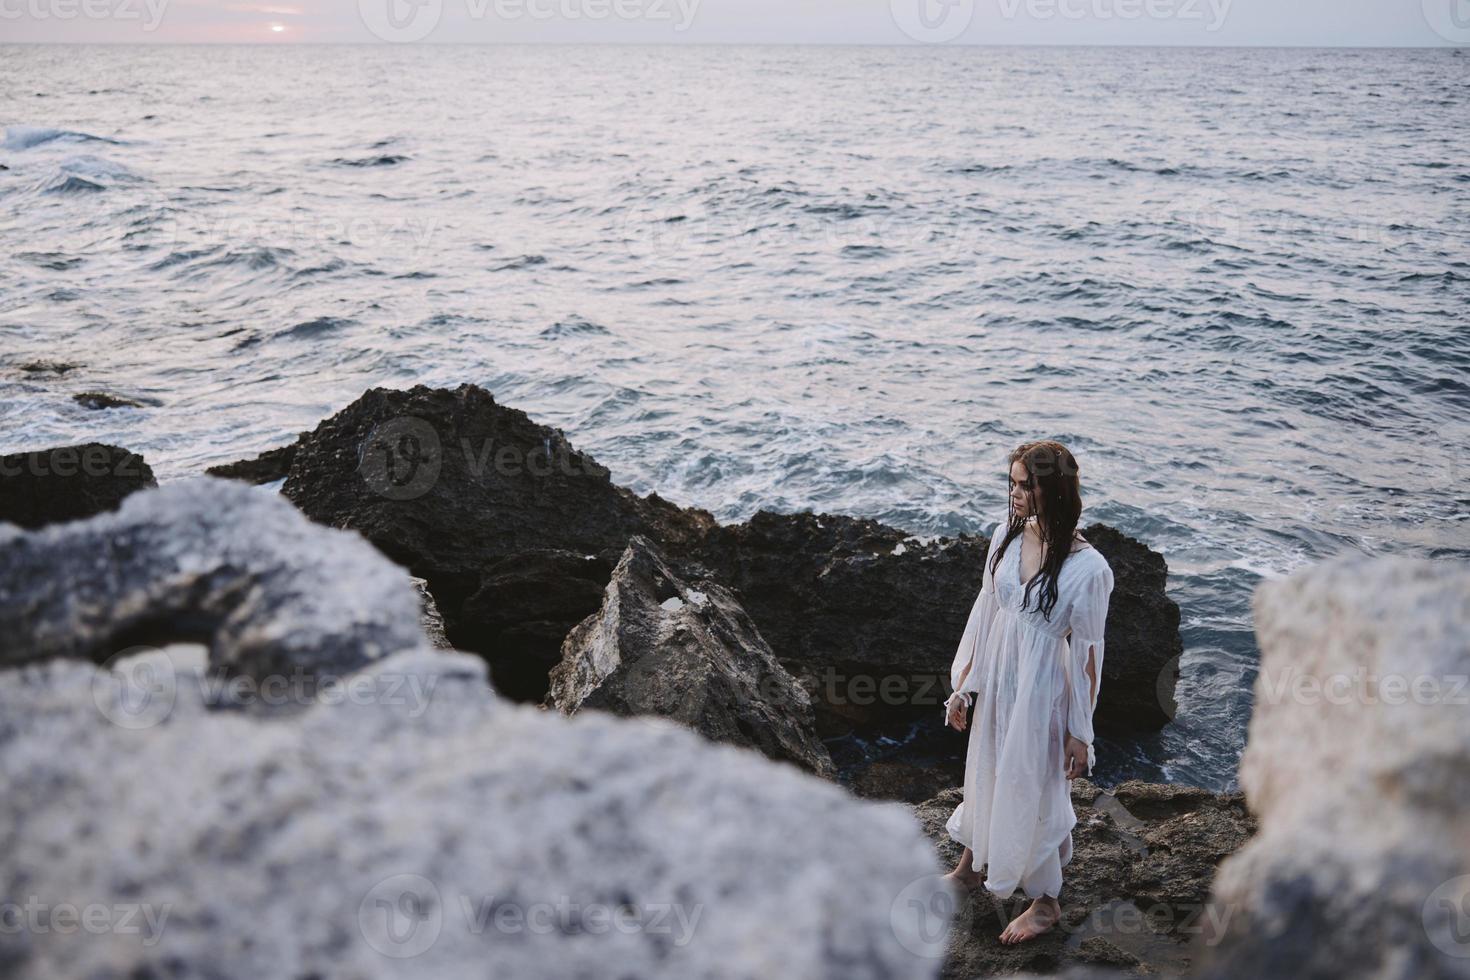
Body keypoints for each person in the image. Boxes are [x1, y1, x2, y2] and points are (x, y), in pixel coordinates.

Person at [940, 439, 1115, 944]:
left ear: (1055, 491)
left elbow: (1088, 659)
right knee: (987, 764)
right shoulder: (1005, 538)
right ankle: (970, 868)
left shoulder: (1090, 570)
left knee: (1036, 784)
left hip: (1043, 694)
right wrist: (964, 687)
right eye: (1012, 483)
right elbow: (985, 614)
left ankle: (1046, 901)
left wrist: (1081, 732)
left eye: (1026, 486)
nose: (1015, 494)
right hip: (998, 678)